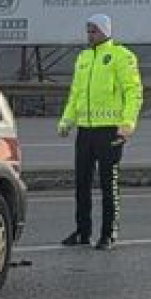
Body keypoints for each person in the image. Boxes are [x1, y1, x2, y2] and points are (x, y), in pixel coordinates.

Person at [57, 13, 143, 250]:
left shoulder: (121, 56)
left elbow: (133, 93)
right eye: (88, 31)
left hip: (110, 132)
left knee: (108, 184)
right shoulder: (83, 58)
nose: (90, 35)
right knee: (81, 184)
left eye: (94, 30)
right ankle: (83, 232)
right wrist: (66, 121)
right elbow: (75, 94)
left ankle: (108, 233)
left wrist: (127, 125)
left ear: (105, 31)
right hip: (85, 131)